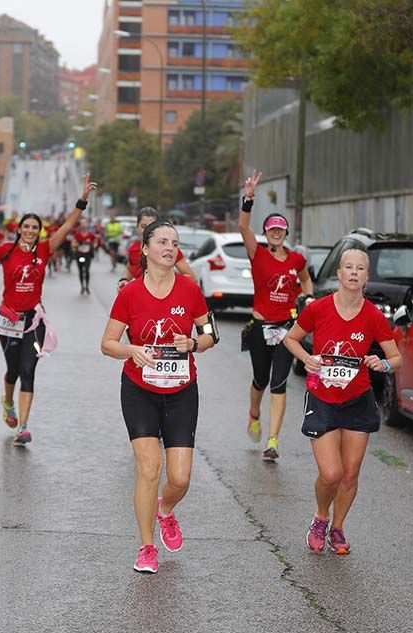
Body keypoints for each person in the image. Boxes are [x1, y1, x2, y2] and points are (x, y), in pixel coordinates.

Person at [101, 220, 218, 574]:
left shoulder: (190, 290)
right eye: (163, 241)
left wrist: (195, 343)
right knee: (149, 469)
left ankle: (165, 510)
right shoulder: (130, 294)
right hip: (140, 391)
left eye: (175, 243)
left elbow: (210, 332)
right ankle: (147, 547)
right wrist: (130, 350)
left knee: (180, 478)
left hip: (182, 391)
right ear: (146, 249)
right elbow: (107, 343)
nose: (170, 247)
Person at [283, 248, 402, 556]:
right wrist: (307, 358)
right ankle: (320, 517)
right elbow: (290, 338)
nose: (353, 272)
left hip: (357, 399)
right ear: (338, 273)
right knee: (331, 473)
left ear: (366, 276)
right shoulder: (319, 308)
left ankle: (338, 527)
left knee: (350, 473)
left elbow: (396, 358)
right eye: (347, 267)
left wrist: (383, 364)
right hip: (323, 398)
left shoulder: (373, 315)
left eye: (359, 268)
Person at [0, 175, 98, 445]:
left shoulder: (44, 249)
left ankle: (24, 427)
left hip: (34, 320)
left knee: (29, 371)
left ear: (39, 231)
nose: (30, 230)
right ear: (19, 229)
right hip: (8, 320)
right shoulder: (5, 250)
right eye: (26, 226)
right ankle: (8, 403)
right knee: (13, 371)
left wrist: (83, 199)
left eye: (35, 227)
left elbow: (68, 225)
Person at [238, 170, 314, 461]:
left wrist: (307, 295)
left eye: (281, 229)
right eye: (272, 229)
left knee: (280, 382)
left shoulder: (296, 259)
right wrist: (249, 198)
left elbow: (306, 279)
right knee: (261, 380)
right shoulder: (257, 254)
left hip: (286, 328)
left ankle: (273, 441)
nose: (277, 233)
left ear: (286, 233)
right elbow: (244, 228)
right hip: (260, 326)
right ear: (266, 233)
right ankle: (254, 413)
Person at [117, 207, 196, 291]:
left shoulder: (169, 250)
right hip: (140, 299)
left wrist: (171, 290)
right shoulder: (134, 248)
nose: (147, 230)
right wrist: (124, 280)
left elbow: (190, 276)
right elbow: (129, 269)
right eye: (143, 226)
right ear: (137, 227)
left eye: (152, 226)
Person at [72, 218, 97, 295]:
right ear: (80, 225)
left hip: (87, 255)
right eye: (82, 224)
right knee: (80, 271)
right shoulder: (77, 235)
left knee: (86, 270)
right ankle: (82, 286)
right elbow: (73, 243)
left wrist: (94, 245)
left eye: (85, 224)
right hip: (79, 254)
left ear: (87, 225)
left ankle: (87, 286)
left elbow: (95, 240)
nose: (84, 226)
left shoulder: (90, 234)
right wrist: (75, 244)